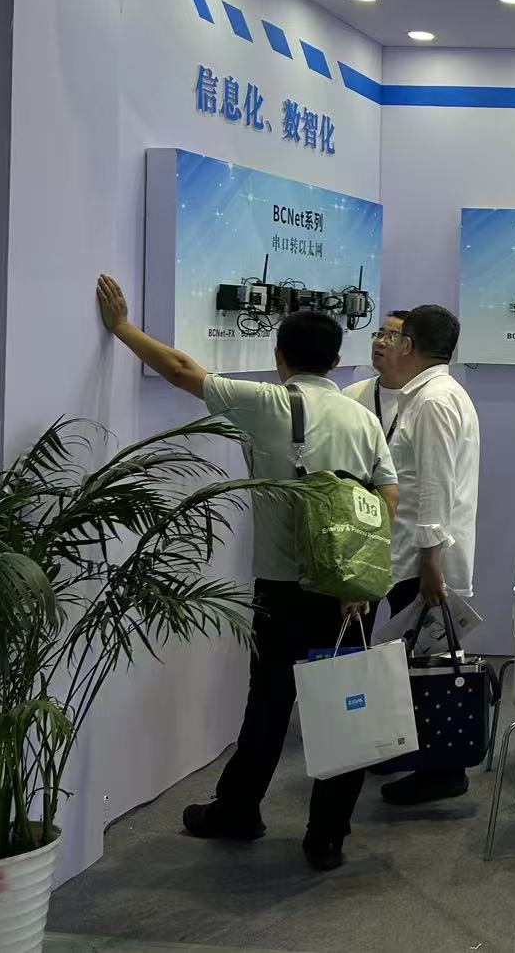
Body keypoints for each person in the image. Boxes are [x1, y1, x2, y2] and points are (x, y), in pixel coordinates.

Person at [95, 275, 398, 871]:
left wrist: (122, 327)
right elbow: (388, 495)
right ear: (336, 360)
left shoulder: (267, 403)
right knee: (345, 706)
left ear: (280, 357)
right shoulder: (361, 418)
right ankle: (327, 837)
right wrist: (354, 572)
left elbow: (181, 370)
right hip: (350, 595)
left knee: (268, 705)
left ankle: (238, 812)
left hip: (282, 588)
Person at [368, 303, 482, 805]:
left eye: (395, 337)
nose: (387, 343)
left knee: (430, 661)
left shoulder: (432, 401)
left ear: (409, 345)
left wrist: (431, 562)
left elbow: (435, 487)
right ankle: (419, 754)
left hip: (422, 557)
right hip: (414, 552)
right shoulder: (432, 394)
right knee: (416, 657)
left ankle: (443, 769)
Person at [344, 310, 410, 438]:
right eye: (380, 334)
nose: (380, 342)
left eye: (393, 336)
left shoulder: (423, 400)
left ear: (409, 346)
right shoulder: (352, 395)